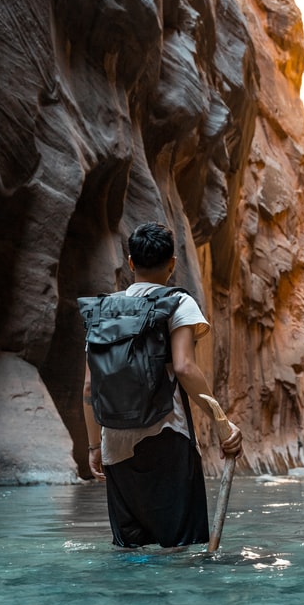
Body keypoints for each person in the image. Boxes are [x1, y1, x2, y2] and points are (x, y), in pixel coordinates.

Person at [82, 221, 242, 548]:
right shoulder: (178, 302)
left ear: (130, 263)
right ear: (172, 264)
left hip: (114, 442)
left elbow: (88, 388)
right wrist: (222, 422)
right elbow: (184, 366)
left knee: (131, 552)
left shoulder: (101, 311)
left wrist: (94, 448)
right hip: (167, 435)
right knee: (179, 546)